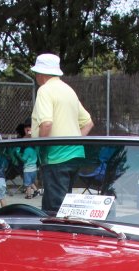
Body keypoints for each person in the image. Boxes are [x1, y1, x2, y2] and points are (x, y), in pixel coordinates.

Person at [29, 52, 93, 216]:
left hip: (55, 157)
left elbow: (46, 123)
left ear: (41, 73)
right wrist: (74, 142)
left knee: (54, 210)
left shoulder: (45, 90)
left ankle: (55, 238)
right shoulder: (68, 90)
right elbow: (88, 123)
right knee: (63, 208)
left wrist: (42, 149)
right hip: (75, 156)